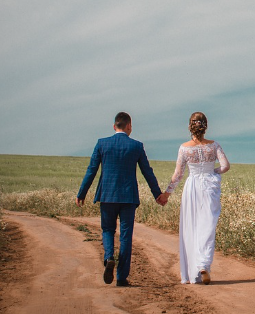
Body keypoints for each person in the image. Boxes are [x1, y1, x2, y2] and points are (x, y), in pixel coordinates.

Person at [76, 112, 168, 287]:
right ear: (128, 126)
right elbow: (147, 172)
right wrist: (157, 194)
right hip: (128, 197)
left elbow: (91, 170)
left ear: (113, 126)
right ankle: (121, 277)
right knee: (126, 236)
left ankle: (109, 256)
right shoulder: (136, 146)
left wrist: (82, 193)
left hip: (107, 196)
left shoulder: (102, 144)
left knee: (108, 229)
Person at [162, 112, 230, 284]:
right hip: (209, 186)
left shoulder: (184, 148)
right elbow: (225, 166)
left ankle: (194, 271)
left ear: (190, 126)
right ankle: (204, 265)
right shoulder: (214, 146)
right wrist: (213, 172)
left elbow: (178, 175)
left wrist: (167, 193)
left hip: (192, 187)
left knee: (191, 227)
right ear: (205, 126)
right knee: (207, 226)